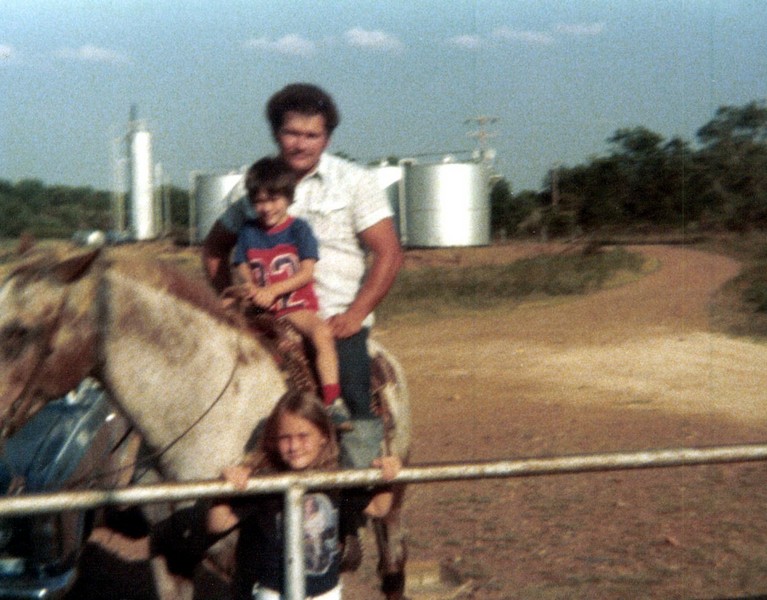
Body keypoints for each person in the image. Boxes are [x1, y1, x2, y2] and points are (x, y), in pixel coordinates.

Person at [203, 83, 403, 541]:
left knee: (354, 393)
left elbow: (389, 254)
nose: (301, 144)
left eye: (312, 135)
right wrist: (232, 297)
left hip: (330, 319)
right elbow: (215, 249)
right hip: (262, 320)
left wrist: (356, 314)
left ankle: (351, 505)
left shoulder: (354, 182)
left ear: (327, 137)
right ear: (277, 134)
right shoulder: (257, 187)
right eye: (292, 133)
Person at [207, 389, 401, 600]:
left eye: (303, 436)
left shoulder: (335, 479)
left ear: (323, 436)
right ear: (273, 439)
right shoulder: (266, 481)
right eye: (285, 438)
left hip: (325, 594)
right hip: (274, 594)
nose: (294, 446)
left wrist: (387, 476)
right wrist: (225, 487)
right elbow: (218, 524)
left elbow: (379, 508)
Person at [233, 156, 349, 426]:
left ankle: (333, 401)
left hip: (295, 306)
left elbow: (307, 272)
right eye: (258, 201)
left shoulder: (299, 229)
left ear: (288, 197)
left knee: (321, 333)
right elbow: (241, 264)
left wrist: (273, 291)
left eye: (273, 200)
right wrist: (249, 285)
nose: (265, 208)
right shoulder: (248, 231)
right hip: (260, 310)